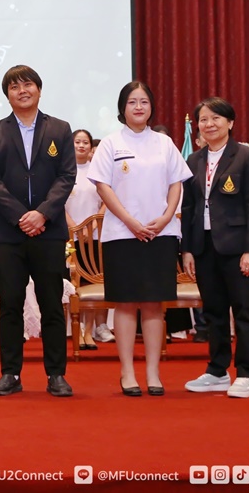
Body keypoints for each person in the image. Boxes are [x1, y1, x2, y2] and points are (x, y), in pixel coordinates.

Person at [87, 81, 191, 397]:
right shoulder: (110, 144)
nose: (138, 107)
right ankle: (128, 372)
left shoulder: (164, 142)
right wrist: (130, 221)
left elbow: (177, 183)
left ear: (151, 107)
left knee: (154, 305)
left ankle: (153, 373)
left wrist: (167, 216)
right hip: (122, 234)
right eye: (132, 102)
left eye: (144, 101)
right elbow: (102, 186)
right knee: (127, 304)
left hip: (161, 233)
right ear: (123, 108)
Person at [0, 65, 76, 398]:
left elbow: (67, 177)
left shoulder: (60, 129)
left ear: (39, 89)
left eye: (28, 84)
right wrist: (23, 216)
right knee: (10, 304)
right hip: (9, 232)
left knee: (52, 304)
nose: (22, 90)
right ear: (7, 94)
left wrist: (42, 215)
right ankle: (10, 373)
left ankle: (56, 374)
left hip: (49, 232)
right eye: (14, 86)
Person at [181, 97, 249, 399]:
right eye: (203, 119)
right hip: (204, 247)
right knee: (214, 312)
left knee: (244, 312)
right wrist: (188, 249)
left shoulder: (246, 157)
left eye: (216, 118)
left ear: (230, 122)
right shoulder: (194, 161)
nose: (209, 124)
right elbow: (189, 208)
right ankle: (217, 371)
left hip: (238, 248)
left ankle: (246, 375)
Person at [65, 128, 110, 350]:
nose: (81, 146)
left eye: (85, 142)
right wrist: (74, 227)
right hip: (69, 237)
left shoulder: (98, 171)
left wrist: (92, 224)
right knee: (73, 284)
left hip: (94, 235)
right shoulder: (64, 171)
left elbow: (106, 200)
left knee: (92, 282)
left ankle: (89, 330)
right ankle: (74, 330)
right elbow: (58, 205)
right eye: (77, 142)